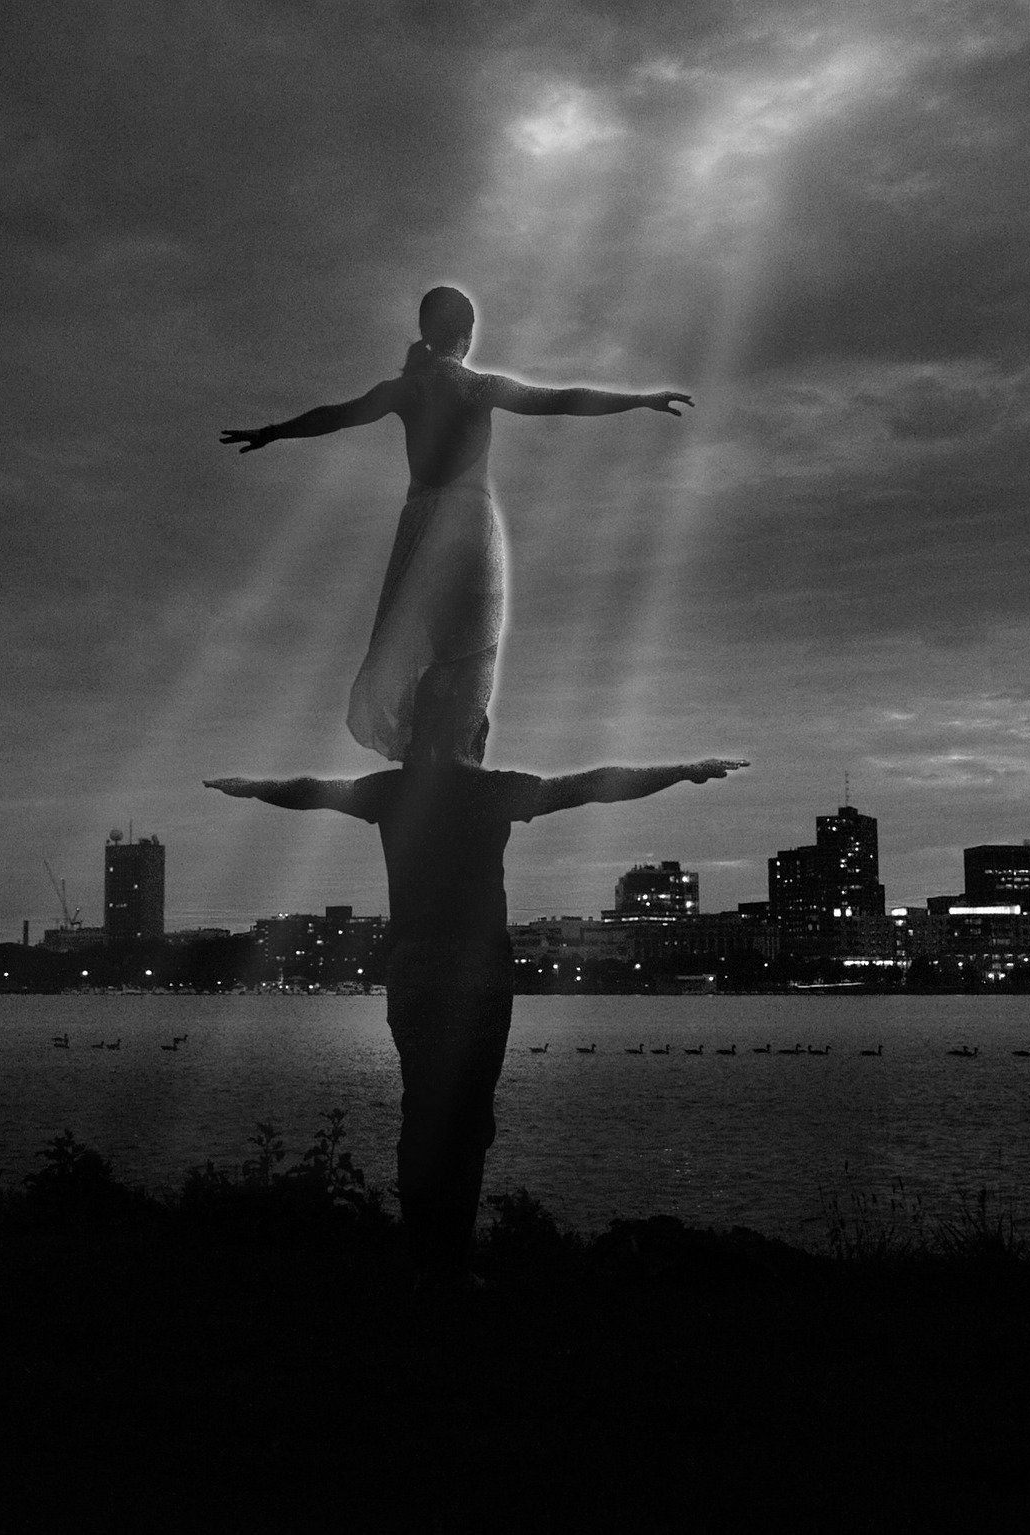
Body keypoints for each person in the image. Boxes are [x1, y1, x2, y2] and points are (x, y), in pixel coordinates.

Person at [206, 743, 747, 1286]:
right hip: (477, 968)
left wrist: (252, 786)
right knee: (469, 1122)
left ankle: (426, 1261)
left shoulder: (394, 790)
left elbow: (310, 792)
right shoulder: (491, 790)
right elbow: (594, 785)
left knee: (422, 1112)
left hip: (415, 966)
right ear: (474, 734)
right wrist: (681, 771)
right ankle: (450, 1265)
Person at [220, 285, 694, 763]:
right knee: (472, 647)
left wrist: (272, 432)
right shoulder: (478, 387)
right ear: (467, 335)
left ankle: (430, 750)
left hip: (423, 524)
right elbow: (563, 398)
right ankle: (457, 754)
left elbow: (336, 416)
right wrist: (641, 400)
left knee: (432, 638)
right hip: (468, 521)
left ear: (426, 333)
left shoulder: (405, 390)